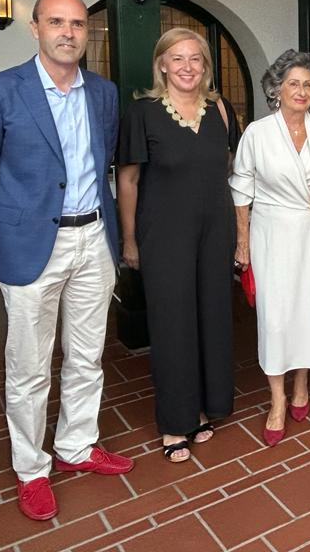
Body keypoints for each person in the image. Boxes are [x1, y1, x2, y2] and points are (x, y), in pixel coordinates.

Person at [0, 0, 133, 521]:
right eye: (56, 21)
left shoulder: (103, 93)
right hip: (33, 244)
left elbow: (103, 160)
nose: (68, 32)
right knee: (30, 365)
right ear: (33, 27)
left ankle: (76, 446)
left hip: (93, 240)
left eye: (78, 24)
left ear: (87, 33)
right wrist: (14, 224)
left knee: (86, 354)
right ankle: (31, 468)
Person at [117, 27, 240, 463]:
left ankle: (205, 406)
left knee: (211, 317)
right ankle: (174, 421)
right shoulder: (143, 112)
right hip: (163, 232)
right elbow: (128, 180)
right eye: (178, 58)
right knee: (172, 325)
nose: (187, 67)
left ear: (205, 66)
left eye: (196, 59)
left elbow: (226, 166)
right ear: (162, 64)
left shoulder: (220, 109)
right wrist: (130, 239)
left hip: (214, 229)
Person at [230, 50, 310, 447]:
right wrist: (242, 242)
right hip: (271, 232)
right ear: (276, 89)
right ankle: (276, 399)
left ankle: (303, 384)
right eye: (293, 83)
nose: (301, 91)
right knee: (275, 318)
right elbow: (241, 188)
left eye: (308, 84)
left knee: (309, 311)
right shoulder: (257, 132)